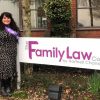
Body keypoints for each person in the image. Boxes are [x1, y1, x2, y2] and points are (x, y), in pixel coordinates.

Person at [0, 12, 20, 96]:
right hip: (3, 51)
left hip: (12, 52)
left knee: (10, 69)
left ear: (10, 19)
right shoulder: (0, 28)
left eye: (8, 18)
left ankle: (8, 86)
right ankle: (4, 88)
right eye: (4, 18)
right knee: (5, 69)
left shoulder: (14, 28)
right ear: (1, 19)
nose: (6, 19)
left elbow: (18, 36)